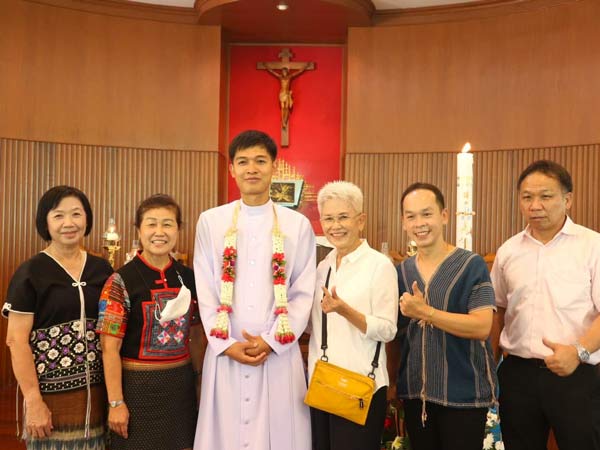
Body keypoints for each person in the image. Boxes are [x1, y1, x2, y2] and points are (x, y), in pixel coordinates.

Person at [193, 129, 316, 450]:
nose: (252, 169)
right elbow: (205, 286)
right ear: (231, 169)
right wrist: (225, 344)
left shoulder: (297, 225)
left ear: (274, 166)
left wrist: (273, 341)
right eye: (243, 161)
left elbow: (303, 291)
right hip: (226, 350)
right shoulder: (211, 221)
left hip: (277, 354)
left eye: (260, 161)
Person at [490, 160, 600, 450]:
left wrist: (578, 352)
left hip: (575, 373)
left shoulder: (592, 246)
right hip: (517, 374)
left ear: (568, 199)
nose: (535, 205)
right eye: (527, 197)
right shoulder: (509, 250)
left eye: (546, 196)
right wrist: (489, 367)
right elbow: (497, 310)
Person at [387, 182, 497, 450]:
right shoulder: (401, 272)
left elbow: (482, 326)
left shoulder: (471, 265)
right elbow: (396, 336)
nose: (419, 223)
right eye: (411, 216)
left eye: (427, 214)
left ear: (444, 216)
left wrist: (427, 312)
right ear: (403, 222)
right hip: (416, 394)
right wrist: (392, 382)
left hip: (464, 394)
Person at [3, 185, 113, 449]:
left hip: (98, 398)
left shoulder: (102, 269)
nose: (69, 223)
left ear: (87, 218)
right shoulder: (30, 273)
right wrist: (33, 401)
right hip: (49, 401)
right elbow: (16, 341)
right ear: (46, 222)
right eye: (58, 216)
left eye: (76, 214)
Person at [97, 194, 204, 450]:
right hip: (136, 391)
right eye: (151, 224)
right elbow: (109, 347)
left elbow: (197, 335)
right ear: (138, 230)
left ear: (178, 229)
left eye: (167, 224)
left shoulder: (189, 278)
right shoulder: (120, 281)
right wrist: (115, 402)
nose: (159, 232)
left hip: (180, 389)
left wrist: (200, 383)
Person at [308, 181, 398, 450]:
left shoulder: (379, 265)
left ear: (361, 220)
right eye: (328, 219)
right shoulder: (323, 266)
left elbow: (388, 329)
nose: (335, 226)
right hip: (323, 384)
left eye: (343, 217)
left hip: (360, 387)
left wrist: (344, 310)